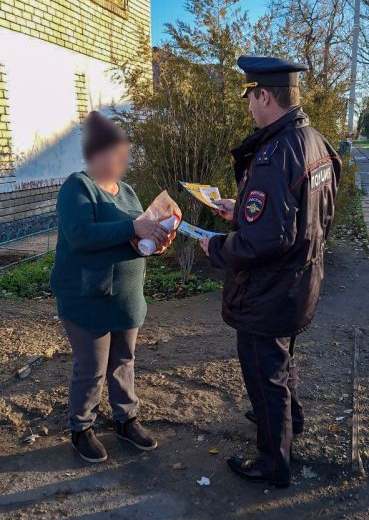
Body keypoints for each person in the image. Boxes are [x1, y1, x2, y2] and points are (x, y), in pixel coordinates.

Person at [199, 56, 341, 488]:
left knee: (265, 374)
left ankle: (273, 463)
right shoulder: (316, 142)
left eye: (250, 97)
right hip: (302, 281)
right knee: (282, 360)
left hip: (268, 292)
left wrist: (216, 246)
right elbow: (308, 217)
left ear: (265, 95)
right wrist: (240, 210)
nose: (248, 108)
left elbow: (264, 240)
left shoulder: (274, 155)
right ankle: (289, 419)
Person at [51, 110, 174, 463]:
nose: (120, 161)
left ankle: (126, 419)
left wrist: (151, 239)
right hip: (86, 298)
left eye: (124, 154)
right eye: (113, 154)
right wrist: (134, 229)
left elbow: (133, 233)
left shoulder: (128, 190)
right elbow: (81, 236)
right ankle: (81, 427)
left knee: (124, 361)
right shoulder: (78, 187)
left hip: (126, 298)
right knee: (91, 366)